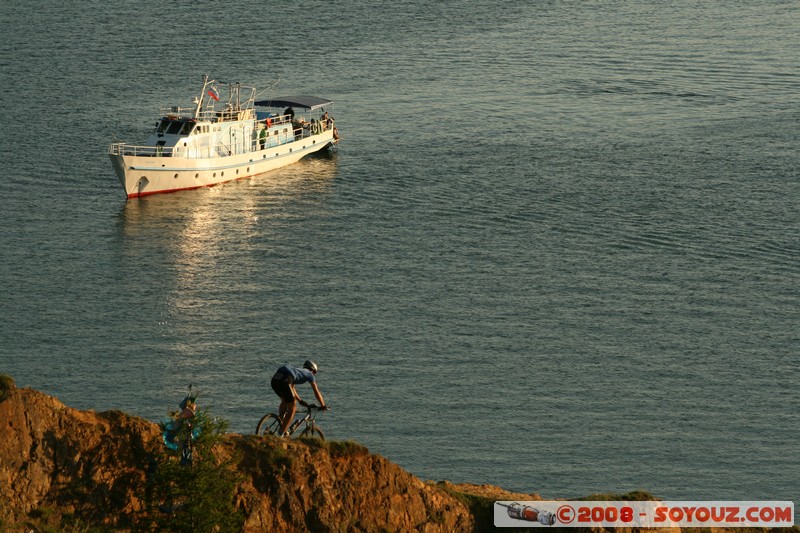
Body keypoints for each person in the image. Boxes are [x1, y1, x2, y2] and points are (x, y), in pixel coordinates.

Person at [271, 360, 327, 436]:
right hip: (286, 379)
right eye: (315, 372)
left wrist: (300, 400)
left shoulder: (296, 371)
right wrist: (323, 404)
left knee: (285, 402)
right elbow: (316, 392)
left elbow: (292, 389)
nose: (314, 374)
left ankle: (281, 422)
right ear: (313, 370)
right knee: (293, 409)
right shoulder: (310, 374)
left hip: (275, 379)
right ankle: (280, 434)